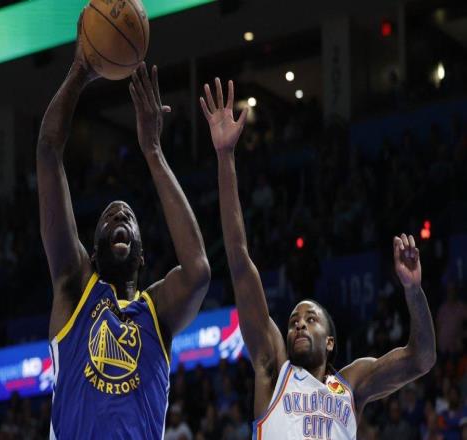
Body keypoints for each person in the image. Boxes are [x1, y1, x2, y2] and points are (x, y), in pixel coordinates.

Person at [200, 78, 436, 439]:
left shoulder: (352, 383)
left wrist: (414, 290)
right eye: (294, 320)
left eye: (310, 320)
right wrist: (225, 157)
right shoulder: (273, 367)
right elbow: (239, 260)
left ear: (329, 341)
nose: (298, 325)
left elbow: (422, 359)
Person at [37, 14, 210, 439]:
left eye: (129, 218)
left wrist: (153, 151)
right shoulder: (74, 287)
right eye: (110, 217)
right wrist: (80, 69)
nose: (119, 218)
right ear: (92, 251)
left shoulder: (157, 312)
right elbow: (48, 151)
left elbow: (198, 272)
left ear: (141, 255)